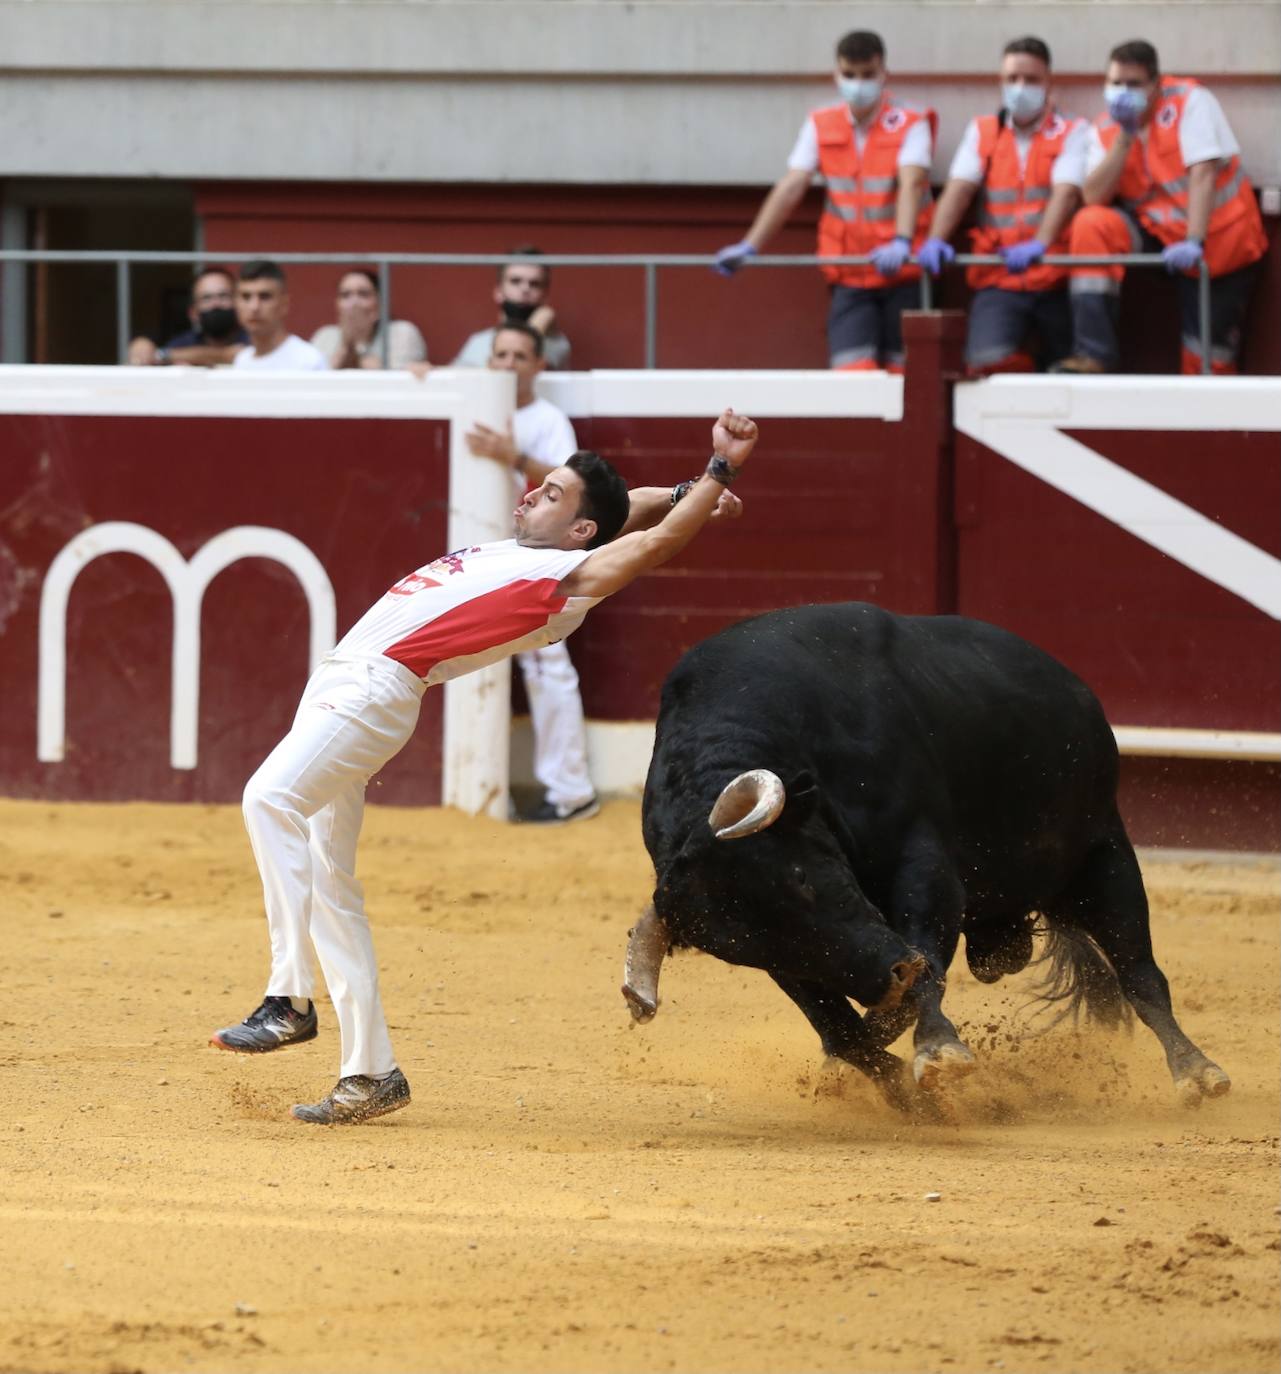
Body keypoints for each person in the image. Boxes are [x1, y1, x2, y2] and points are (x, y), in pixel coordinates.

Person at [210, 409, 757, 1125]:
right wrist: (693, 484)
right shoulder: (528, 550)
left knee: (266, 800)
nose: (531, 493)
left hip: (373, 690)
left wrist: (720, 474)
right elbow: (642, 506)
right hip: (340, 687)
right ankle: (370, 1072)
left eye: (552, 494)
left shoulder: (565, 578)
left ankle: (288, 999)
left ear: (581, 532)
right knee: (332, 886)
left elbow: (650, 540)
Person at [712, 30, 936, 372]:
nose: (858, 84)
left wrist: (902, 241)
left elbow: (912, 182)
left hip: (903, 273)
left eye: (867, 75)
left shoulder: (910, 123)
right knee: (851, 375)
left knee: (907, 378)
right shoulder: (822, 124)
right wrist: (750, 245)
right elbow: (792, 185)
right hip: (850, 273)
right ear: (836, 74)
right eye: (849, 75)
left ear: (883, 74)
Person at [1053, 39, 1267, 375]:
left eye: (1134, 84)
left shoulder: (1189, 101)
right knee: (1091, 223)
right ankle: (1092, 355)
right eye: (1115, 83)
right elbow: (1093, 196)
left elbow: (1203, 173)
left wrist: (1194, 240)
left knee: (1207, 361)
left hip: (1220, 247)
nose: (1123, 92)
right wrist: (1125, 138)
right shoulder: (1106, 129)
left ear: (1156, 84)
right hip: (1162, 239)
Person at [464, 321, 598, 823]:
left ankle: (571, 791)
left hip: (536, 557)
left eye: (520, 356)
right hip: (487, 555)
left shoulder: (547, 418)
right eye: (500, 354)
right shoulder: (474, 403)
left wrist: (513, 456)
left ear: (539, 365)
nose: (508, 365)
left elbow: (571, 488)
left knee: (546, 665)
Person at [917, 37, 1087, 374]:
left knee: (1067, 374)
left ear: (1049, 82)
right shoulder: (983, 131)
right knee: (986, 366)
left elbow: (1066, 193)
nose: (1021, 88)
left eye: (1032, 79)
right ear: (1000, 82)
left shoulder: (1072, 131)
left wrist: (1040, 242)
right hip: (1000, 276)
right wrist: (935, 238)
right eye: (1012, 79)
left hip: (1057, 276)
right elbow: (959, 190)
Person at [452, 246, 572, 370]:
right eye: (515, 281)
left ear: (545, 296)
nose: (525, 289)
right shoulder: (477, 341)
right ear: (498, 292)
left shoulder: (557, 344)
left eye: (535, 284)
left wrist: (537, 328)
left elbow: (524, 376)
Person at [126, 268, 248, 367]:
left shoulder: (255, 339)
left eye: (223, 296)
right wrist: (143, 350)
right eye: (206, 298)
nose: (215, 304)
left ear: (238, 303)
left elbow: (238, 355)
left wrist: (163, 355)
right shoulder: (181, 343)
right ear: (193, 313)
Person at [309, 269, 428, 370]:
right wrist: (347, 345)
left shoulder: (402, 333)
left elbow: (398, 381)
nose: (354, 303)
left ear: (380, 304)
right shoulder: (324, 337)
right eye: (345, 295)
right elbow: (315, 380)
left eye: (363, 294)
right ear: (337, 305)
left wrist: (357, 351)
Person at [230, 260, 329, 371]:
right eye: (246, 297)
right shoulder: (241, 361)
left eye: (265, 296)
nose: (254, 307)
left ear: (284, 304)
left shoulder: (309, 361)